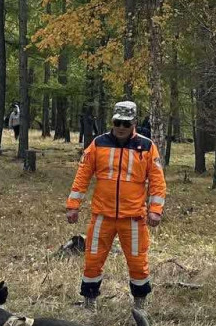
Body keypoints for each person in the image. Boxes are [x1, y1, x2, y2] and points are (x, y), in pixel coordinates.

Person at [65, 100, 166, 308]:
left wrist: (155, 210)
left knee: (138, 262)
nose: (121, 127)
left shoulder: (146, 147)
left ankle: (140, 305)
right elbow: (82, 175)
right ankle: (89, 302)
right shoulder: (98, 144)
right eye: (117, 122)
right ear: (112, 121)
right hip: (102, 215)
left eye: (126, 124)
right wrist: (73, 205)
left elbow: (157, 180)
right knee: (93, 260)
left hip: (134, 218)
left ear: (134, 123)